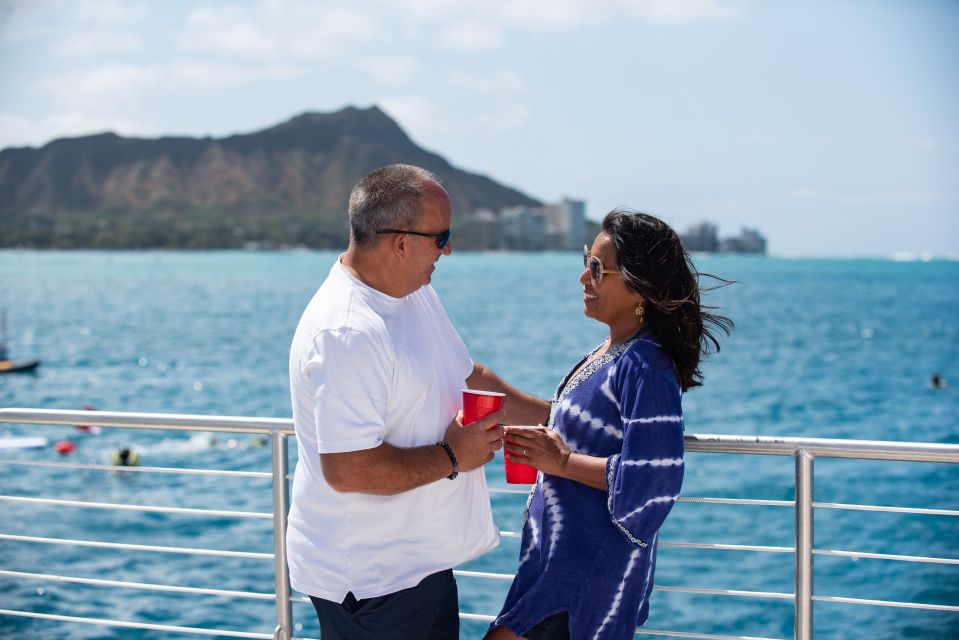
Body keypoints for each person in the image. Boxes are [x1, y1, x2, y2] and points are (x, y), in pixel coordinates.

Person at [287, 164, 549, 640]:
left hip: (419, 563)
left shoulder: (412, 292)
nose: (448, 249)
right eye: (441, 236)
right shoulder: (347, 331)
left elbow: (469, 376)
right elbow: (347, 469)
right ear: (400, 242)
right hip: (369, 583)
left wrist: (562, 415)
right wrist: (455, 456)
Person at [486, 209, 733, 640]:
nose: (584, 279)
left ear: (640, 284)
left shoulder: (646, 365)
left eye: (597, 269)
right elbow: (580, 426)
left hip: (583, 579)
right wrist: (485, 387)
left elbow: (655, 479)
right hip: (556, 565)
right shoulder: (613, 351)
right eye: (586, 261)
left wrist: (560, 461)